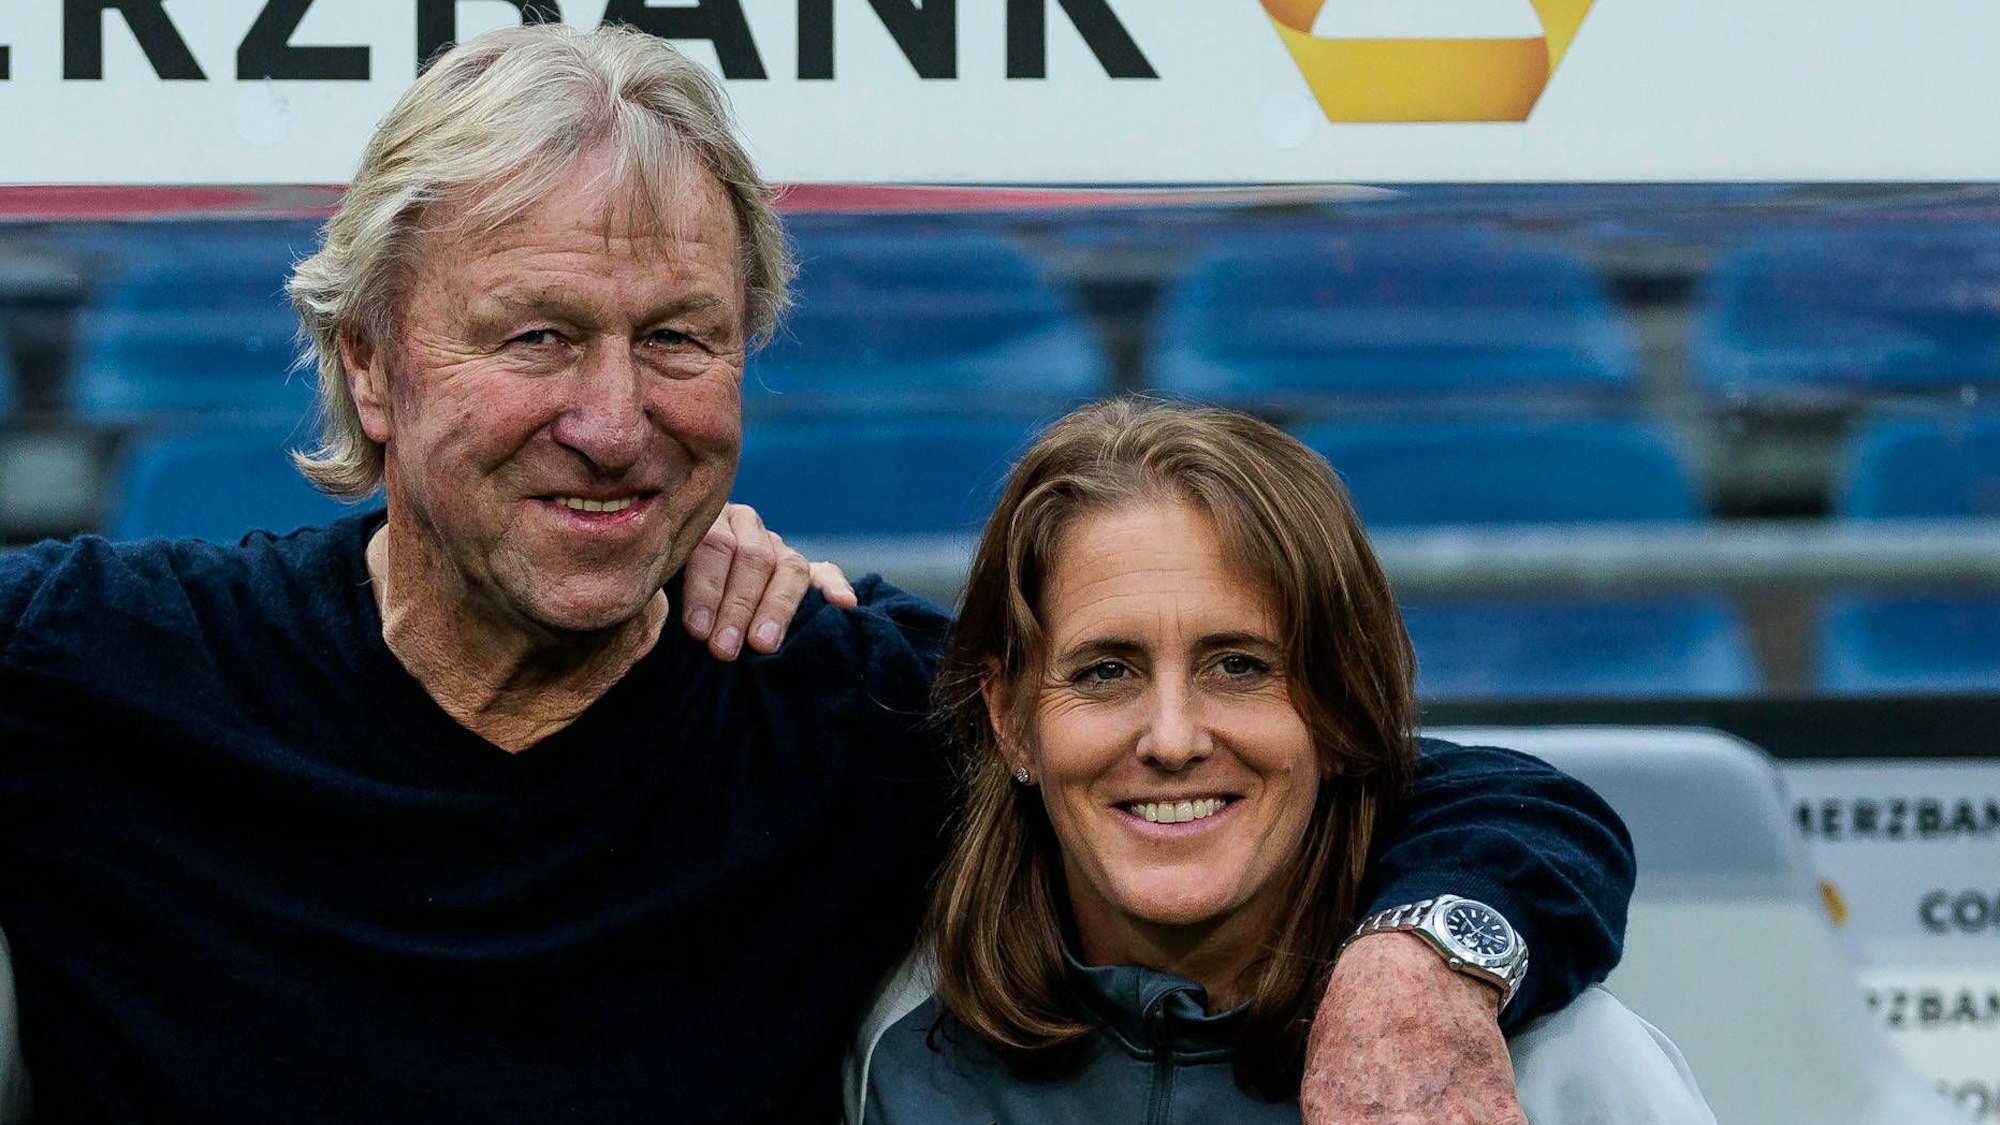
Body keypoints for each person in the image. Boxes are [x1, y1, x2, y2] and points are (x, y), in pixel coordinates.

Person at [0, 23, 1633, 1124]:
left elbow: (1479, 801)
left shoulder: (833, 704)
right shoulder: (105, 671)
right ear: (369, 363)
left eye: (681, 343)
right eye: (538, 338)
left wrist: (1419, 968)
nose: (613, 420)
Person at [854, 398, 1713, 1124]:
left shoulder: (1562, 1065)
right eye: (1105, 671)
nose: (1173, 737)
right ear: (1009, 720)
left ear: (1339, 711)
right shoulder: (890, 1041)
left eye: (1239, 666)